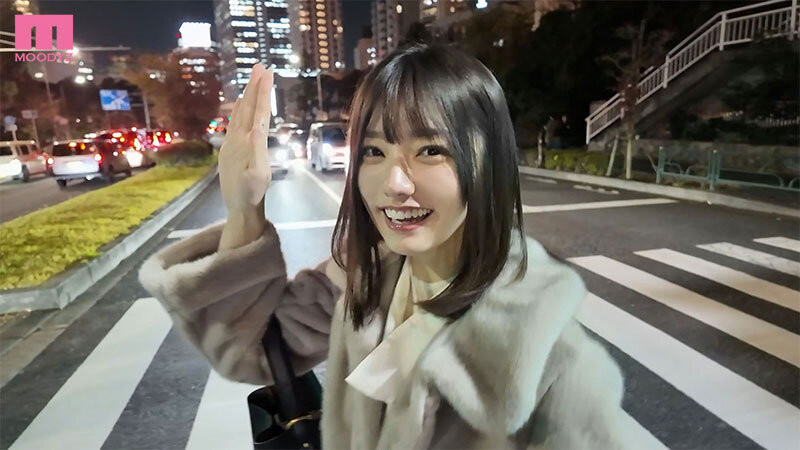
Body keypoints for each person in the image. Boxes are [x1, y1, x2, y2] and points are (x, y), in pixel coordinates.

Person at [139, 44, 637, 449]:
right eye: (374, 151)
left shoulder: (552, 363)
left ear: (487, 162)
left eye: (430, 150)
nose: (394, 184)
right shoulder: (362, 279)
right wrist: (244, 208)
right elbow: (250, 353)